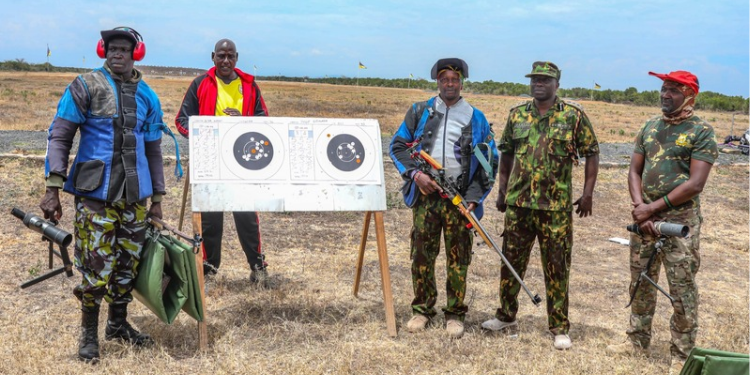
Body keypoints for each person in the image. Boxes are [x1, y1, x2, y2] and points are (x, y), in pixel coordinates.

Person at [40, 26, 164, 362]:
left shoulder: (148, 96)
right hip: (96, 196)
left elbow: (153, 150)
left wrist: (157, 201)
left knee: (128, 265)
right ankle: (89, 335)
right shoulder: (85, 86)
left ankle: (118, 324)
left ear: (135, 53)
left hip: (136, 198)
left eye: (125, 49)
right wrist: (53, 187)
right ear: (103, 51)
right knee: (96, 268)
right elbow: (60, 136)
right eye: (112, 49)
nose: (118, 54)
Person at [481, 61, 600, 350]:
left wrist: (587, 194)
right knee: (511, 262)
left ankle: (559, 326)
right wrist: (502, 191)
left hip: (555, 208)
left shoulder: (573, 116)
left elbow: (592, 153)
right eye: (535, 79)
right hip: (519, 205)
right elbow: (506, 155)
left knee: (557, 267)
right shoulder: (517, 115)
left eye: (545, 80)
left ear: (556, 84)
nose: (539, 84)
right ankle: (506, 316)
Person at [606, 70, 717, 375]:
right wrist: (640, 207)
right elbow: (633, 171)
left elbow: (695, 184)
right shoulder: (650, 126)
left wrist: (651, 208)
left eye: (673, 90)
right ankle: (636, 340)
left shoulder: (701, 131)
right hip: (645, 220)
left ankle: (682, 353)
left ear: (689, 96)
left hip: (678, 223)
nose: (665, 94)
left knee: (682, 289)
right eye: (664, 89)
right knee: (640, 280)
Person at [389, 58, 498, 339]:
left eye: (455, 79)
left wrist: (473, 199)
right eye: (444, 79)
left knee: (458, 257)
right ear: (437, 81)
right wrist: (415, 175)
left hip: (458, 199)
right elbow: (398, 146)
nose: (450, 84)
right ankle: (422, 310)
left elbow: (489, 162)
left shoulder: (476, 117)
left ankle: (455, 314)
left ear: (463, 82)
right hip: (426, 197)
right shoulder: (419, 111)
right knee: (422, 255)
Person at [175, 39, 269, 285]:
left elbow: (263, 121)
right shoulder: (200, 84)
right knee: (210, 219)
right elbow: (182, 120)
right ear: (212, 57)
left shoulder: (249, 85)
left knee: (247, 216)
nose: (225, 61)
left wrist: (243, 123)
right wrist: (202, 133)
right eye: (221, 56)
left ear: (236, 57)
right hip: (210, 162)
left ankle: (258, 267)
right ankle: (208, 269)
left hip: (243, 163)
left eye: (230, 56)